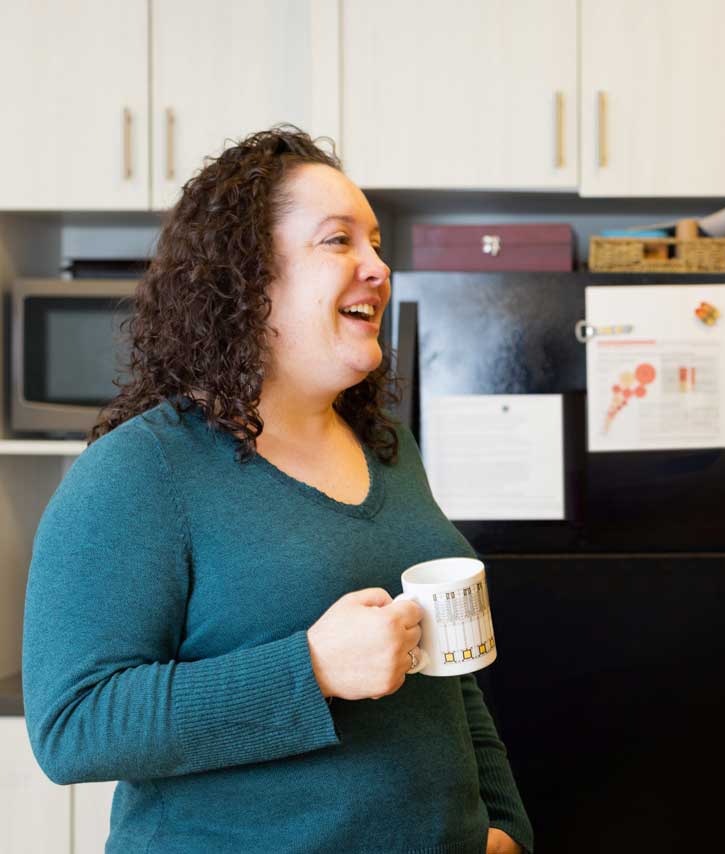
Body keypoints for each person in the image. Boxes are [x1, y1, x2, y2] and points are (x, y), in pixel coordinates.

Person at [22, 127, 532, 854]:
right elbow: (74, 727)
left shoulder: (388, 449)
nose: (378, 267)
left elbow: (446, 674)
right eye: (339, 241)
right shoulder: (141, 472)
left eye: (378, 243)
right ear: (246, 276)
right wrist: (313, 669)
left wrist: (503, 826)